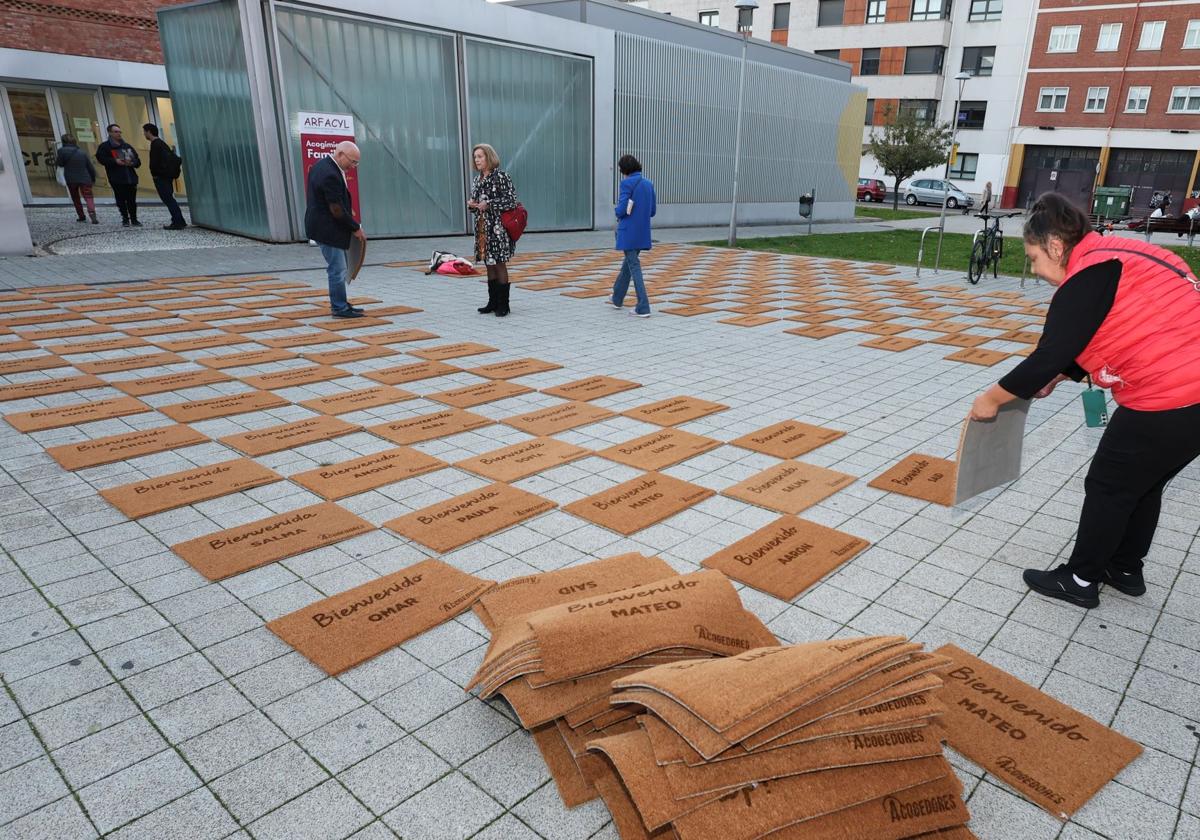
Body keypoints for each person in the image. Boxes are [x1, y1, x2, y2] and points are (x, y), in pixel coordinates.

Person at [969, 192, 1200, 609]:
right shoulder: (1122, 252)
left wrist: (991, 399)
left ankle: (1080, 578)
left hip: (1172, 394)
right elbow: (1122, 324)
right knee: (1142, 484)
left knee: (1108, 486)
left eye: (1035, 258)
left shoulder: (1088, 274)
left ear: (1056, 247)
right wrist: (1062, 375)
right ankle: (1125, 568)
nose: (1037, 270)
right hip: (1191, 397)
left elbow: (1050, 352)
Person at [304, 140, 366, 318]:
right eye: (353, 162)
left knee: (339, 268)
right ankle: (339, 308)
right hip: (327, 229)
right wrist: (355, 228)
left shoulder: (324, 165)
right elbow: (336, 209)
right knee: (337, 269)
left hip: (324, 226)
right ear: (340, 154)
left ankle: (341, 303)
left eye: (356, 163)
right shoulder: (329, 173)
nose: (354, 166)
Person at [468, 143, 518, 317]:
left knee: (499, 263)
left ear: (489, 157)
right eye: (475, 157)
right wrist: (473, 205)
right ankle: (492, 302)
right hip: (483, 228)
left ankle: (504, 305)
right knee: (488, 263)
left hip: (497, 228)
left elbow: (511, 201)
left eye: (480, 156)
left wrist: (488, 204)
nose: (477, 160)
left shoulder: (501, 177)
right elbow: (477, 204)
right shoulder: (477, 179)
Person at [607, 154, 656, 317]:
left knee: (634, 267)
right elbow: (652, 212)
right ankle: (617, 298)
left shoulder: (626, 183)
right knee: (628, 264)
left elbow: (621, 210)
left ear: (624, 170)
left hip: (628, 232)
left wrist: (616, 211)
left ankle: (643, 306)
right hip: (642, 232)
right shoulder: (649, 184)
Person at [95, 124, 141, 227]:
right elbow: (101, 159)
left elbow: (137, 160)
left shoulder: (127, 146)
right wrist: (115, 161)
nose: (119, 133)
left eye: (119, 131)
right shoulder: (105, 147)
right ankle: (125, 218)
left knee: (132, 200)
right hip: (117, 178)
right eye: (116, 132)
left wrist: (133, 163)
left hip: (130, 177)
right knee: (121, 199)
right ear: (110, 133)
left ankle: (134, 219)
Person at [143, 123, 186, 230]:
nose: (144, 134)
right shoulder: (162, 144)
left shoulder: (156, 144)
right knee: (170, 198)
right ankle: (178, 220)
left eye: (144, 131)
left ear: (148, 132)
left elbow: (154, 163)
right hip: (167, 176)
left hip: (161, 177)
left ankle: (178, 221)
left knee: (168, 199)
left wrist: (155, 174)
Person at [54, 134, 98, 224]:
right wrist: (93, 178)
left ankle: (81, 216)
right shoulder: (82, 152)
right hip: (85, 178)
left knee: (75, 197)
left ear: (63, 142)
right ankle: (92, 214)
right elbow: (90, 167)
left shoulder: (61, 151)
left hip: (71, 179)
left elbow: (60, 164)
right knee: (88, 197)